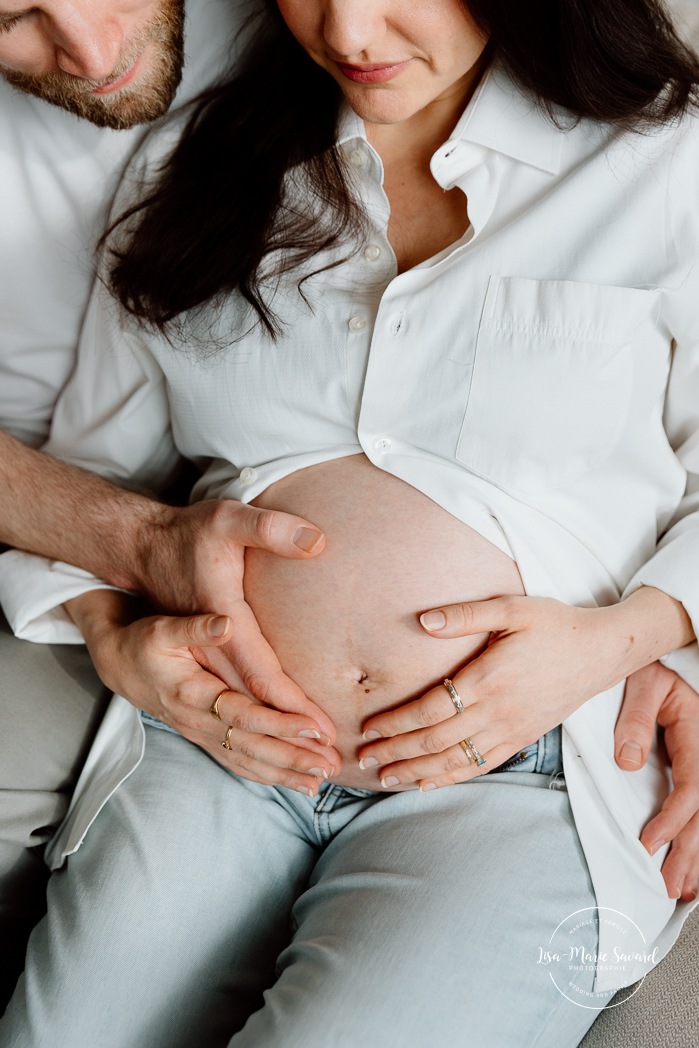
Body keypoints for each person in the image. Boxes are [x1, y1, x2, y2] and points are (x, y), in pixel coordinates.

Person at [2, 0, 699, 1044]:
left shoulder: (662, 157)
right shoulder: (189, 173)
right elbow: (92, 481)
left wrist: (626, 638)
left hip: (529, 770)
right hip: (221, 748)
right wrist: (114, 637)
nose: (351, 36)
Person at [0, 0, 348, 1006]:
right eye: (14, 18)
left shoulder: (333, 29)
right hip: (51, 542)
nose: (90, 53)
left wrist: (664, 636)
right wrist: (120, 576)